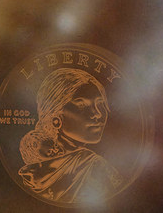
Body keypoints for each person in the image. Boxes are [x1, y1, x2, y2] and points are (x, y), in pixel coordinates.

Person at [18, 68, 123, 203]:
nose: (98, 113)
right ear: (56, 118)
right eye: (81, 104)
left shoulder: (30, 174)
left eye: (100, 104)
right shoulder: (95, 165)